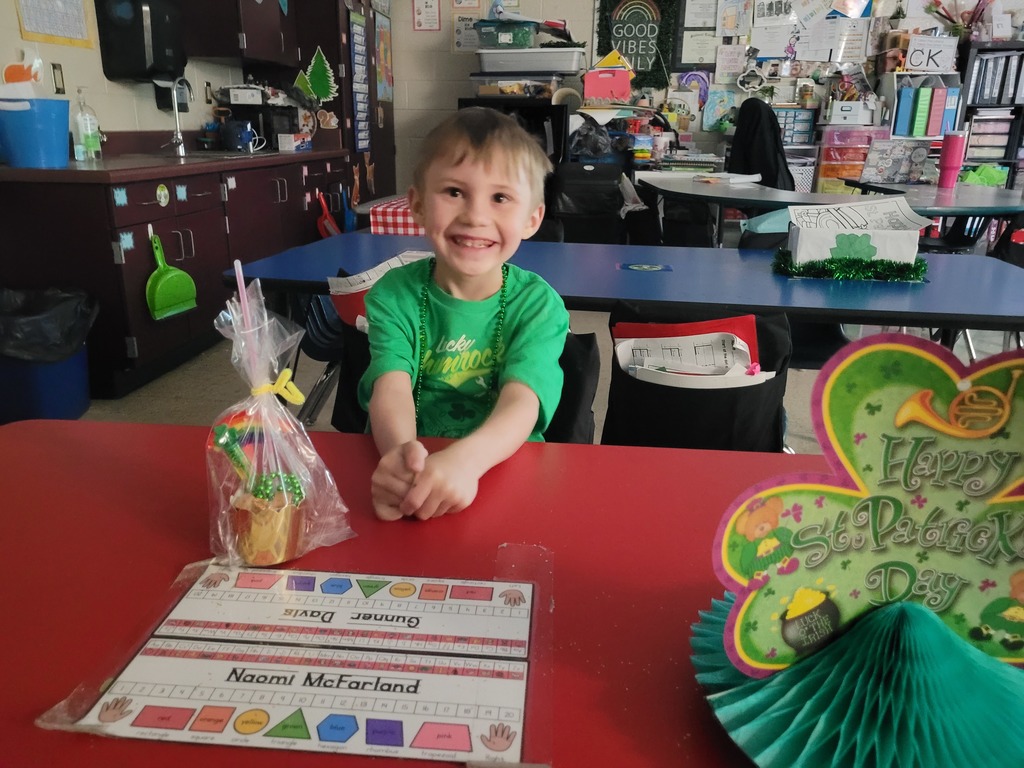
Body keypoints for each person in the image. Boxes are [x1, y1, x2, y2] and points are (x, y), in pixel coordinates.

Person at [358, 107, 570, 522]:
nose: (475, 216)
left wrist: (466, 463)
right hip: (410, 471)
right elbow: (392, 387)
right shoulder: (392, 295)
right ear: (417, 205)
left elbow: (522, 401)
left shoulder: (539, 305)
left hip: (502, 469)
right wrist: (402, 458)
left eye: (500, 197)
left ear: (532, 219)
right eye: (454, 191)